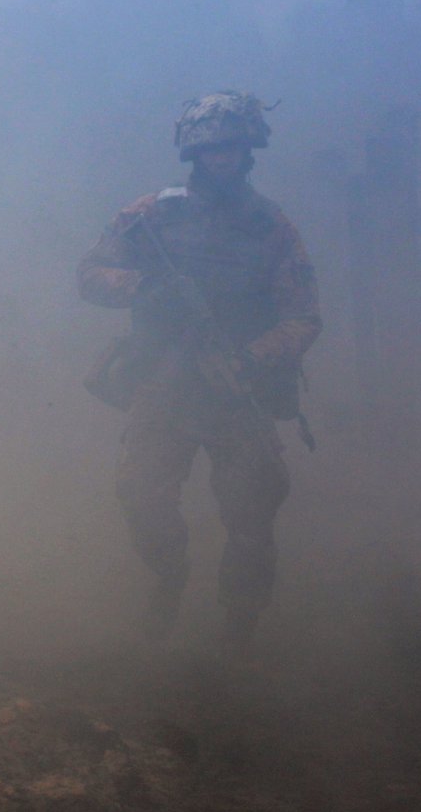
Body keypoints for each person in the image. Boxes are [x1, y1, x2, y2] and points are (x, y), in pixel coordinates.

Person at [77, 91, 322, 648]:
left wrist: (252, 356)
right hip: (165, 380)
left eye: (232, 148)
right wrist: (144, 288)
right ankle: (169, 578)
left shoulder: (272, 228)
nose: (222, 159)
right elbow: (89, 273)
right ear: (194, 153)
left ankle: (241, 624)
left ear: (248, 151)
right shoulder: (151, 214)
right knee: (139, 493)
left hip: (237, 389)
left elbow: (304, 317)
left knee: (253, 516)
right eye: (212, 150)